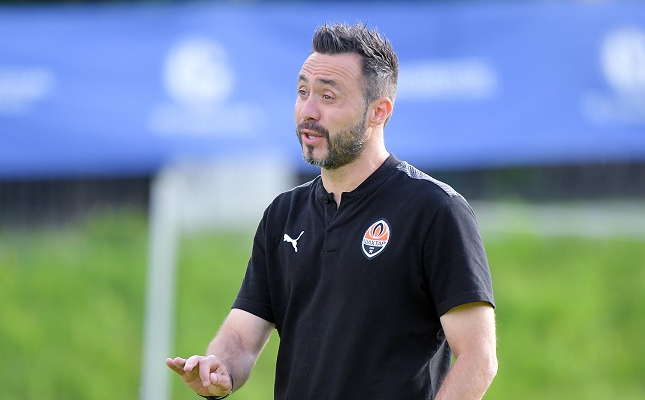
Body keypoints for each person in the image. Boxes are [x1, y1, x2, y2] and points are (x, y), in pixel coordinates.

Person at [167, 22, 497, 399]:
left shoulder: (435, 210)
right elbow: (241, 338)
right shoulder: (282, 215)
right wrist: (220, 367)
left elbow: (478, 358)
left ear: (378, 112)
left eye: (327, 96)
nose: (308, 111)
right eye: (302, 92)